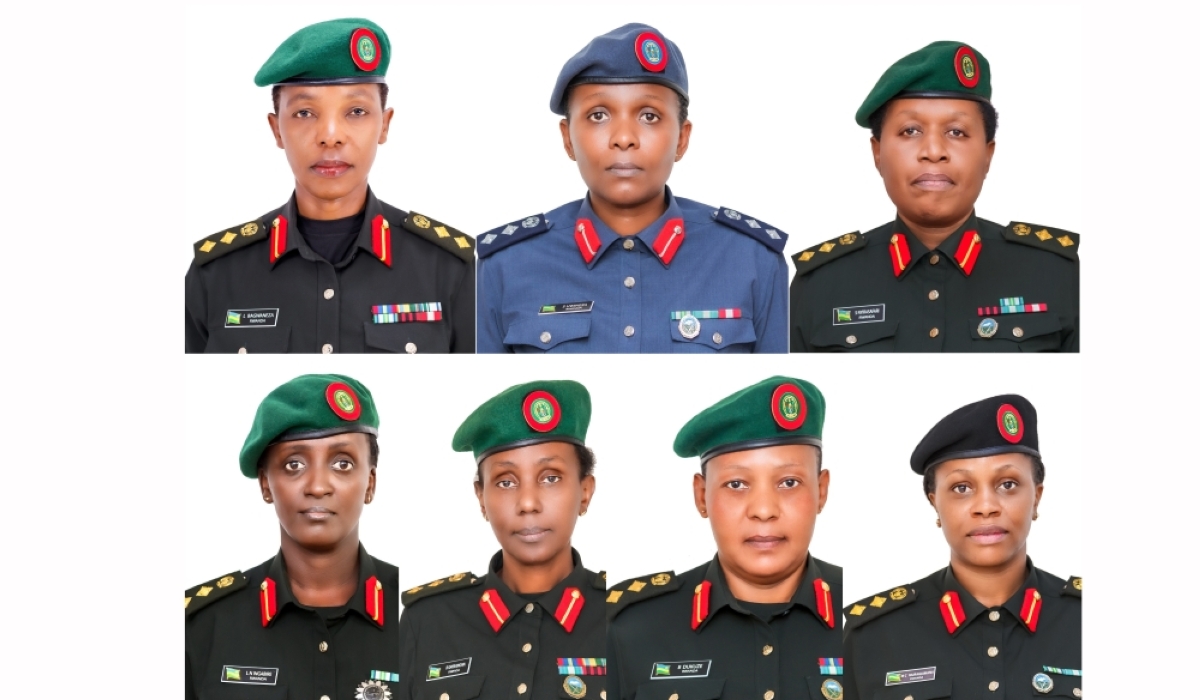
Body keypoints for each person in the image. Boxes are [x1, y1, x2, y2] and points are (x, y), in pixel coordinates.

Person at [476, 24, 789, 353]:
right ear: (568, 139)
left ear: (681, 139)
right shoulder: (504, 266)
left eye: (649, 116)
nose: (624, 137)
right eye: (598, 115)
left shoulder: (753, 261)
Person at [185, 18, 475, 354]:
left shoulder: (449, 269)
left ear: (385, 125)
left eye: (356, 110)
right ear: (276, 129)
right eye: (305, 113)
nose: (330, 135)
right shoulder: (217, 274)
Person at [790, 41, 1079, 352]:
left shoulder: (1059, 274)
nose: (933, 152)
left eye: (956, 132)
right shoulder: (818, 284)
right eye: (910, 131)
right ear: (877, 153)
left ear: (987, 156)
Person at [607, 377, 845, 700]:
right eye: (736, 484)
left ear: (822, 491)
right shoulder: (630, 629)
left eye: (788, 482)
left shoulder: (866, 624)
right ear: (701, 496)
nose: (763, 510)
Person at [843, 395, 1081, 698]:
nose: (986, 507)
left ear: (1036, 497)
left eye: (1007, 484)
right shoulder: (874, 636)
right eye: (961, 488)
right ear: (934, 503)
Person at [185, 374, 400, 700]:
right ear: (265, 485)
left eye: (342, 463)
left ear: (370, 483)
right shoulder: (200, 628)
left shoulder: (420, 618)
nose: (317, 486)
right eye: (293, 464)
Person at [398, 380, 605, 699]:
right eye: (506, 482)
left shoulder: (621, 618)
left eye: (550, 478)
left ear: (585, 491)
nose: (527, 503)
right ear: (481, 497)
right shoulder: (427, 622)